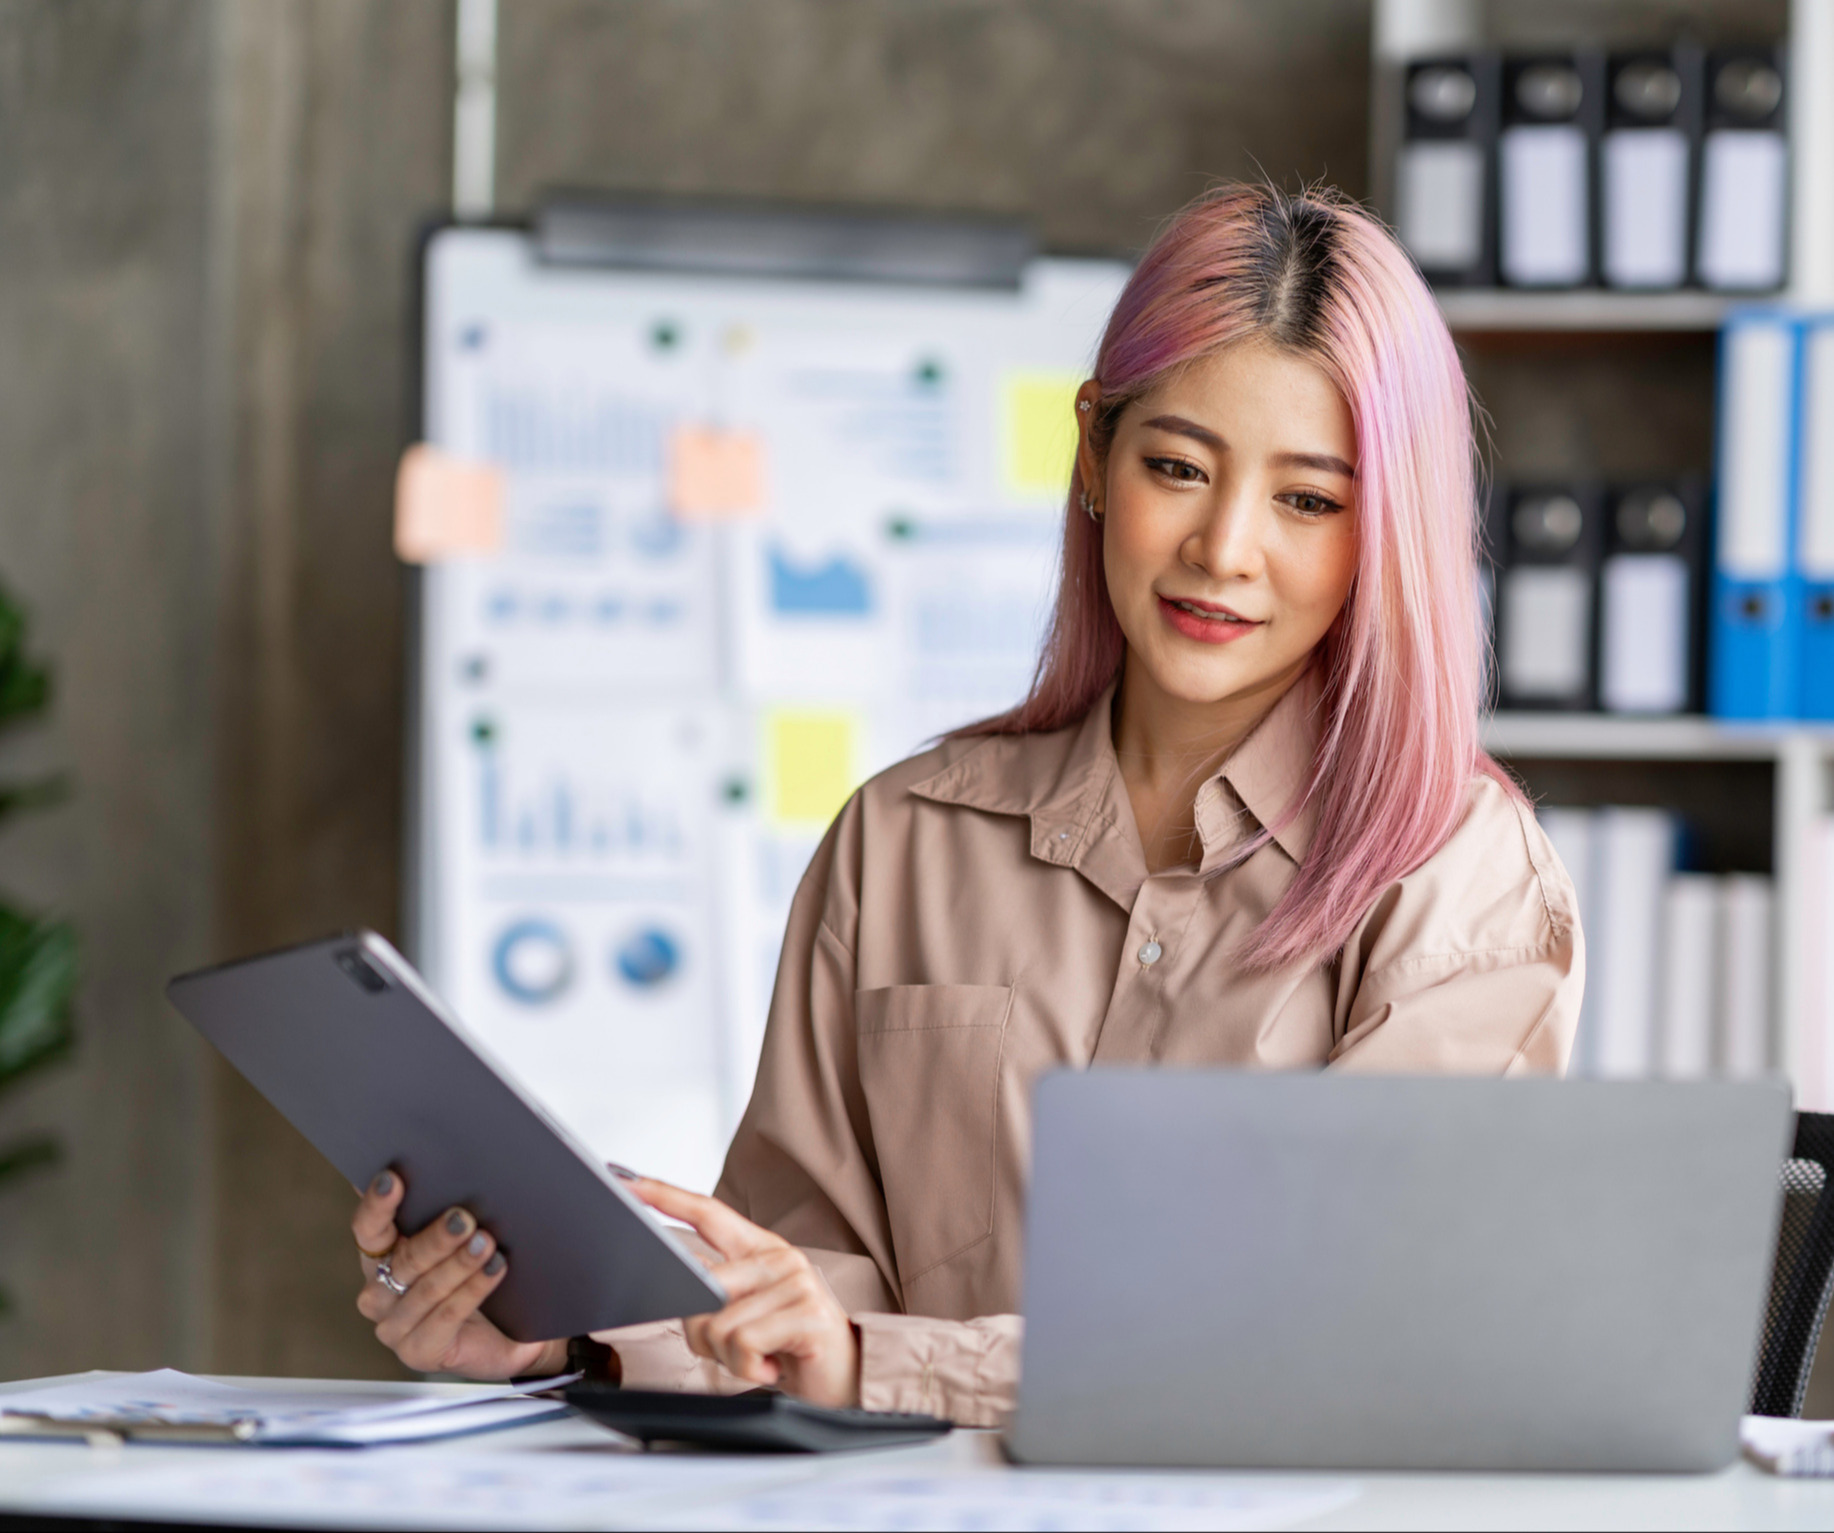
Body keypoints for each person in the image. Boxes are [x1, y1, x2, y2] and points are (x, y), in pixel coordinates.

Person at [349, 183, 1582, 1427]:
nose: (1223, 548)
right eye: (1176, 468)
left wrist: (876, 1364)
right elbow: (794, 1298)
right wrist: (565, 1336)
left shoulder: (1456, 877)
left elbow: (1342, 1338)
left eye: (1307, 500)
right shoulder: (903, 842)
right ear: (1095, 458)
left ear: (1388, 531)